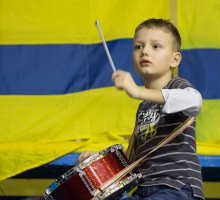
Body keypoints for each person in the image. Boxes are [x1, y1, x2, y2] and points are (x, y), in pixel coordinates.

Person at [79, 18, 204, 200]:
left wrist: (137, 91)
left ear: (174, 59)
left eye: (155, 46)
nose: (144, 51)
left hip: (175, 187)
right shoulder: (144, 106)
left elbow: (195, 101)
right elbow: (132, 160)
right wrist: (100, 163)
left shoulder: (177, 86)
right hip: (143, 190)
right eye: (138, 46)